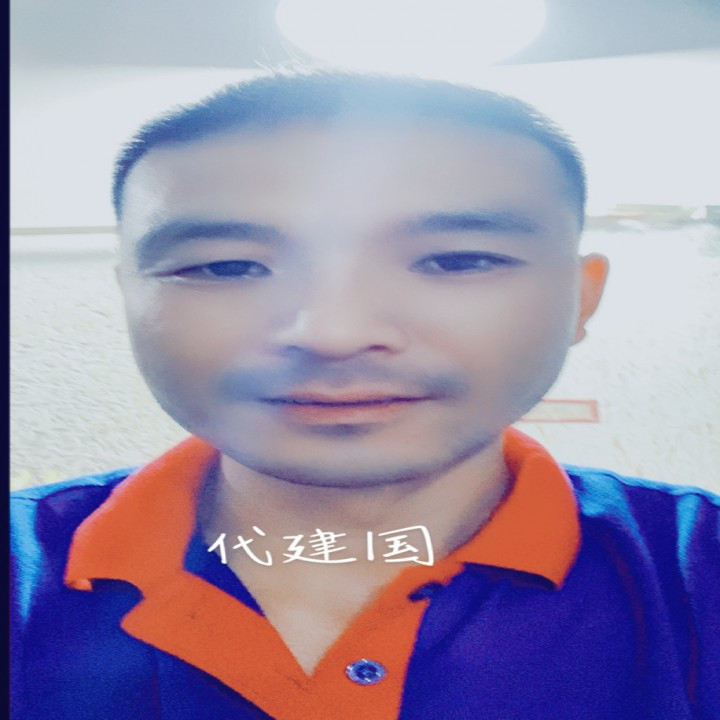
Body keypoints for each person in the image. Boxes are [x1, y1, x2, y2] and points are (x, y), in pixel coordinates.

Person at [10, 71, 719, 720]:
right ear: (130, 297)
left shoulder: (699, 571)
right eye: (226, 267)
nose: (333, 333)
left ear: (582, 298)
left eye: (456, 260)